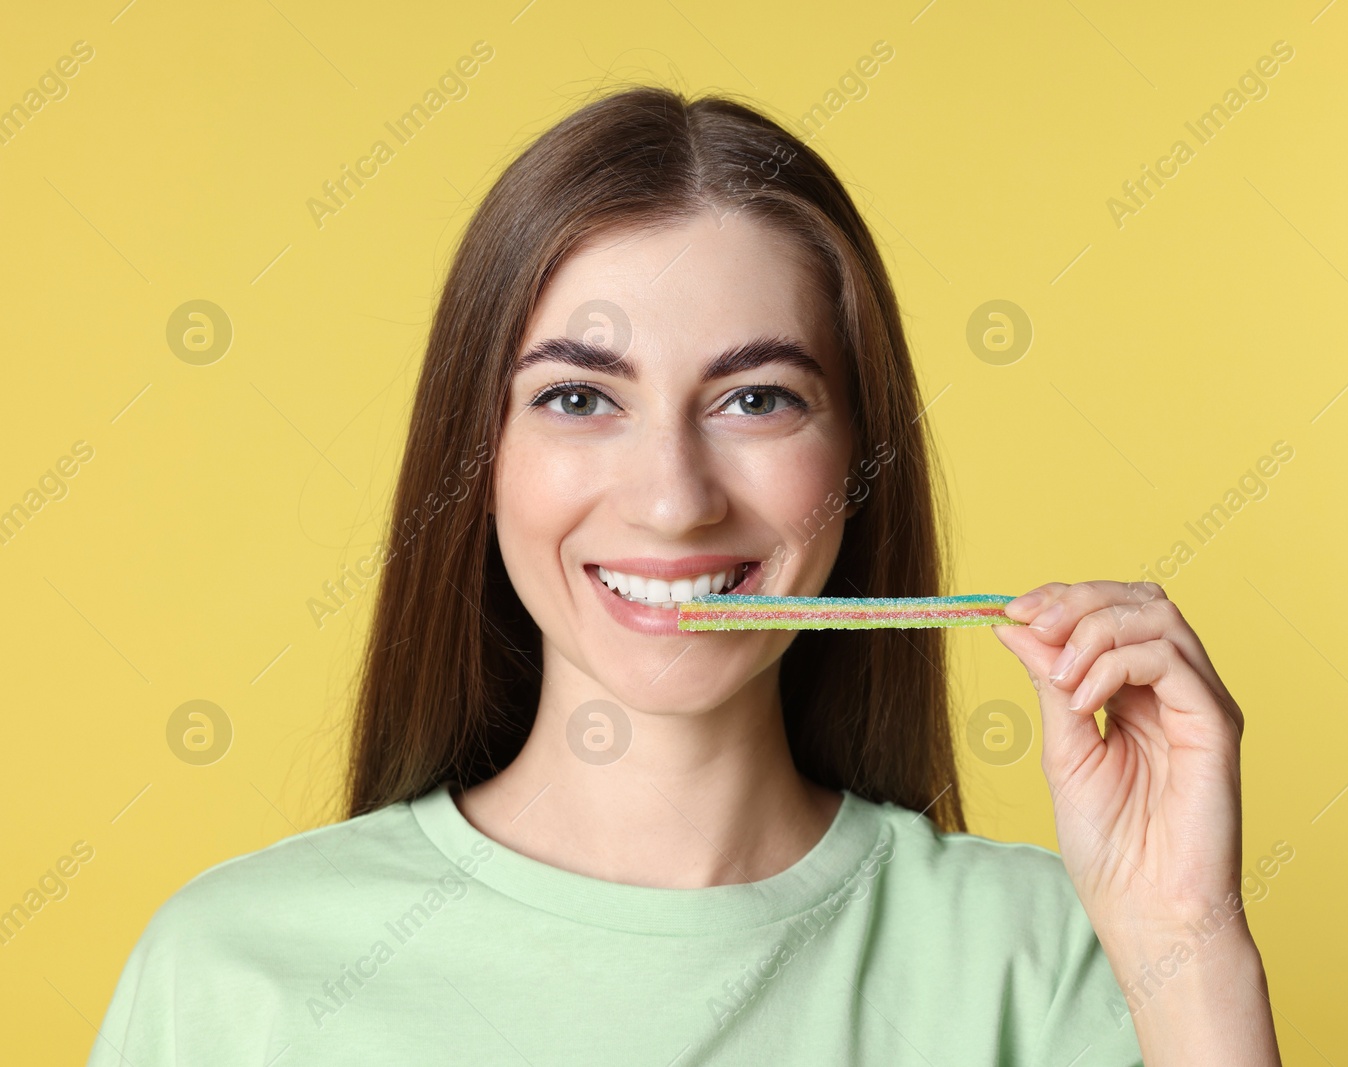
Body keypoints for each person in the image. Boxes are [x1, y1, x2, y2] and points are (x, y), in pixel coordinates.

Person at [87, 85, 1280, 1066]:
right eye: (578, 397)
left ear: (859, 462)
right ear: (480, 453)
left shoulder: (1061, 955)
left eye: (755, 397)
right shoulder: (230, 976)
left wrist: (1187, 937)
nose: (672, 496)